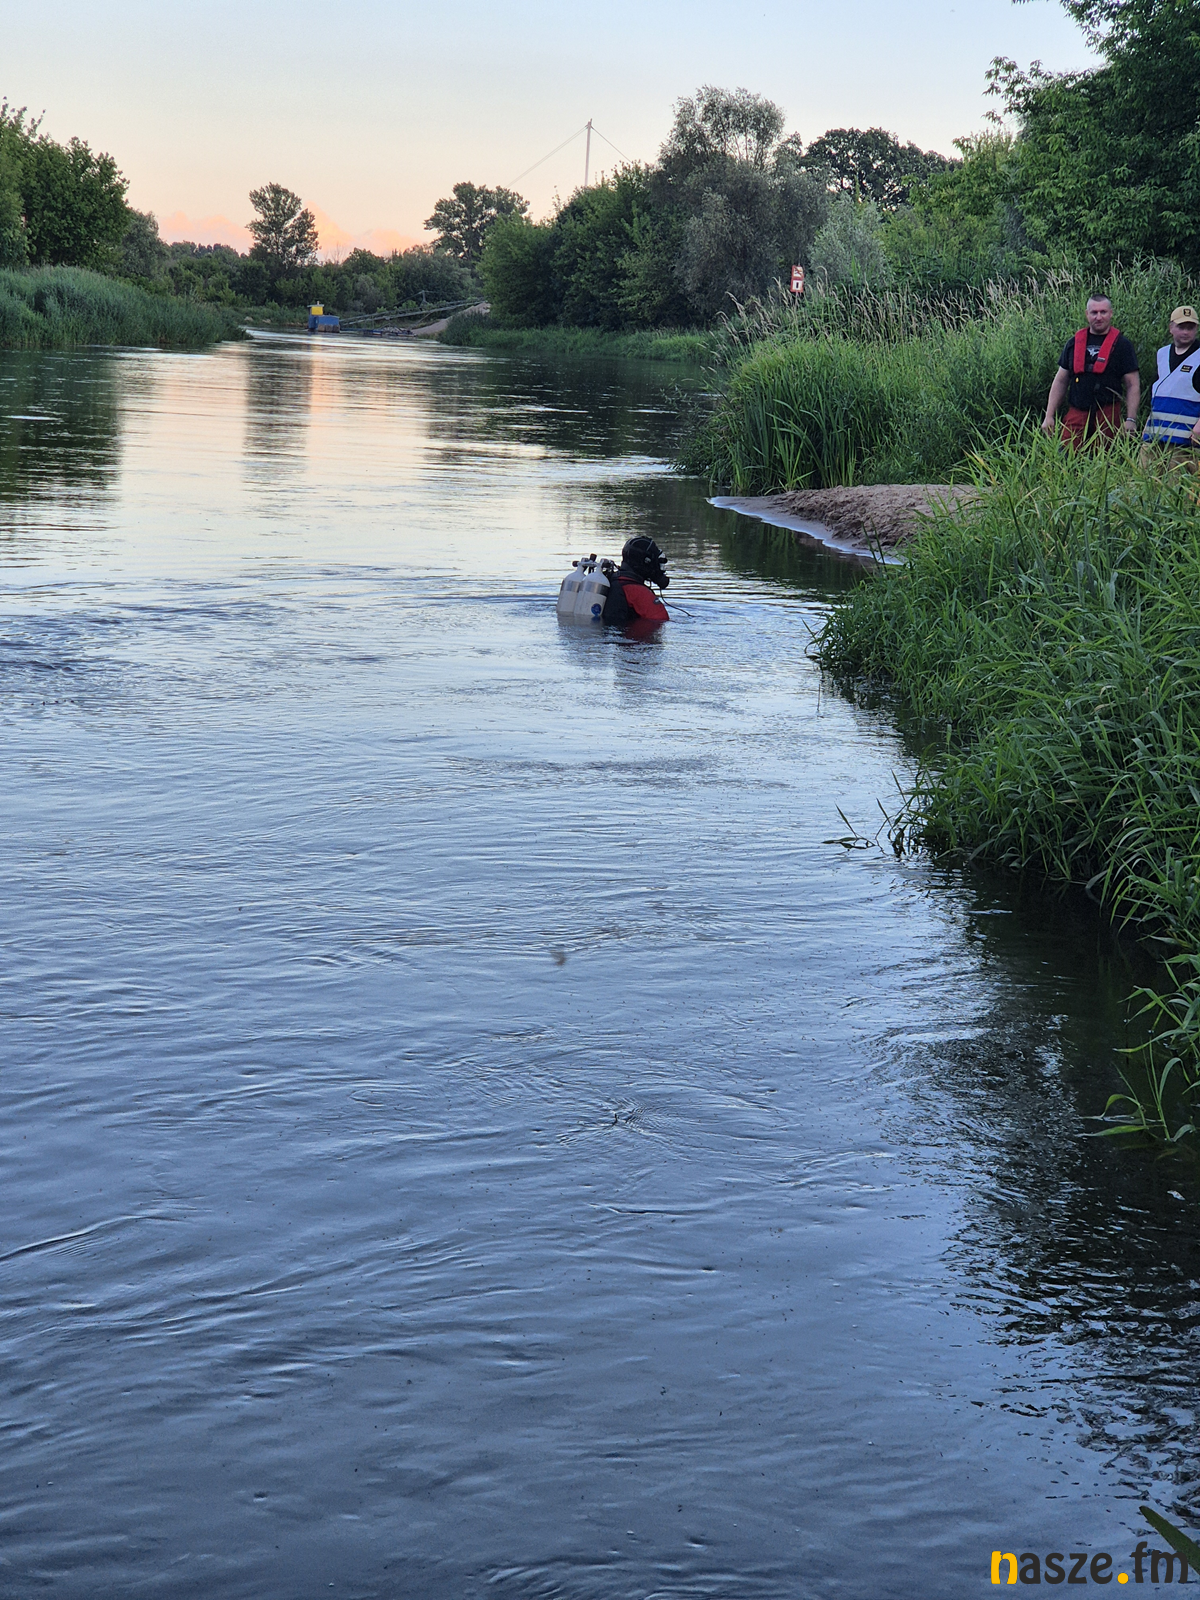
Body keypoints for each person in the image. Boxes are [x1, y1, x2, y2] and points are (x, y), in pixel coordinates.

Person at [1042, 294, 1140, 448]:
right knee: (1065, 457)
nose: (1098, 317)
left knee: (1106, 460)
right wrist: (1049, 416)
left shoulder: (1123, 345)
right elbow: (1060, 381)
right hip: (1077, 414)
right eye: (1094, 312)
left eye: (1103, 312)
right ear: (1087, 314)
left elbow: (1132, 385)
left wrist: (1131, 419)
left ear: (1111, 313)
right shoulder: (1073, 343)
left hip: (1108, 415)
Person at [1140, 305, 1200, 471]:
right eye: (1181, 327)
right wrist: (1147, 424)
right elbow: (1158, 392)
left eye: (1190, 327)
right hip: (1154, 437)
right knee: (1144, 479)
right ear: (1171, 328)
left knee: (1177, 484)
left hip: (1186, 441)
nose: (1186, 332)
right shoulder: (1162, 354)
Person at [601, 536, 670, 625]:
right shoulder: (639, 592)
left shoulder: (610, 580)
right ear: (646, 562)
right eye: (655, 562)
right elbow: (661, 621)